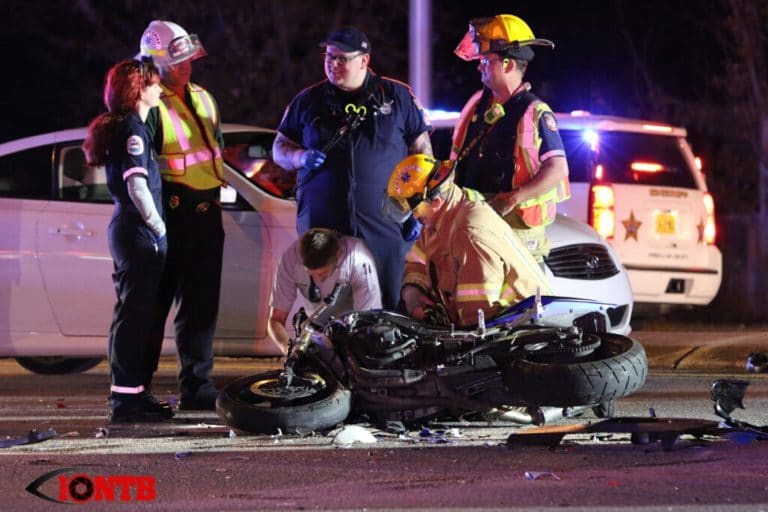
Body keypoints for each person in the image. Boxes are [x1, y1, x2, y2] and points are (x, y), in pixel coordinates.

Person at [273, 26, 433, 310]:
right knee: (329, 309)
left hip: (384, 223)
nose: (333, 64)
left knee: (387, 303)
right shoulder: (308, 101)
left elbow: (422, 155)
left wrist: (418, 209)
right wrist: (300, 158)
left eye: (342, 59)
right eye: (329, 57)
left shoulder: (396, 97)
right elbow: (279, 149)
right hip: (323, 225)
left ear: (364, 60)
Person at [137, 20, 225, 410]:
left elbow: (215, 154)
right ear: (155, 62)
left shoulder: (204, 97)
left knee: (201, 307)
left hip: (207, 214)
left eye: (189, 57)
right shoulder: (149, 104)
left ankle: (197, 387)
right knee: (154, 306)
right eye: (178, 60)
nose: (187, 65)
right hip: (171, 212)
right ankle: (136, 389)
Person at [83, 58, 172, 422]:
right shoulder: (133, 129)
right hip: (138, 231)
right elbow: (137, 185)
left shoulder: (127, 126)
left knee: (134, 314)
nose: (160, 90)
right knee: (134, 317)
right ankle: (126, 401)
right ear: (139, 89)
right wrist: (158, 227)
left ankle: (132, 393)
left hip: (131, 230)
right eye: (154, 84)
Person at [382, 154, 552, 328]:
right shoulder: (437, 220)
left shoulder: (469, 235)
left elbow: (477, 321)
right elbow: (416, 263)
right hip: (495, 329)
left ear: (436, 202)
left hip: (521, 331)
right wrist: (413, 296)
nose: (415, 217)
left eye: (415, 210)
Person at [452, 14, 570, 262]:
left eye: (485, 61)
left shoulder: (535, 112)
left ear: (507, 64)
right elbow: (456, 160)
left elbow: (557, 168)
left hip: (519, 232)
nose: (479, 66)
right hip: (476, 222)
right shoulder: (476, 105)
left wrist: (513, 198)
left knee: (519, 298)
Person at [267, 228, 382, 350]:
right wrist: (288, 349)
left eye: (323, 273)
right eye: (311, 274)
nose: (318, 279)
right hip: (316, 328)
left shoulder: (358, 258)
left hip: (354, 328)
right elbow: (275, 320)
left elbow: (368, 322)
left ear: (339, 254)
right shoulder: (290, 259)